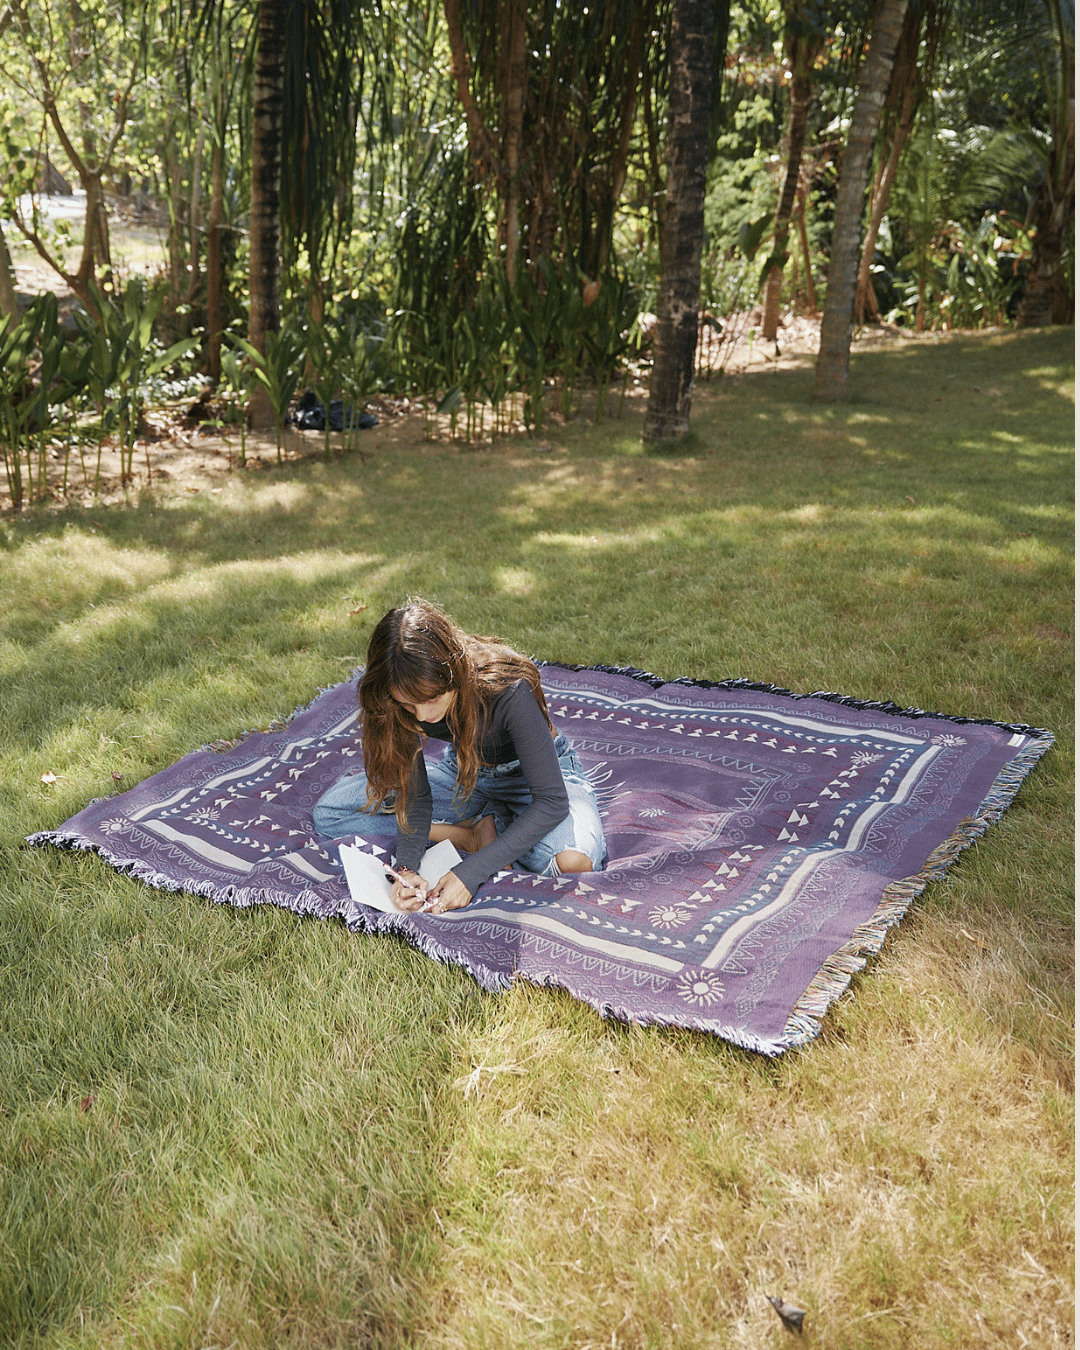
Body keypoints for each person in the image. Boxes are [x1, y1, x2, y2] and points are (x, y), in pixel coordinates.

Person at [312, 599, 607, 914]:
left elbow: (551, 802)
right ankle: (468, 835)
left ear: (452, 672)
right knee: (330, 813)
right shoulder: (396, 698)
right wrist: (408, 867)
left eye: (434, 699)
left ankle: (489, 831)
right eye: (409, 705)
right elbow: (416, 796)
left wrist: (471, 872)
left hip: (532, 779)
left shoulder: (507, 689)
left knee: (575, 861)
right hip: (465, 773)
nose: (424, 716)